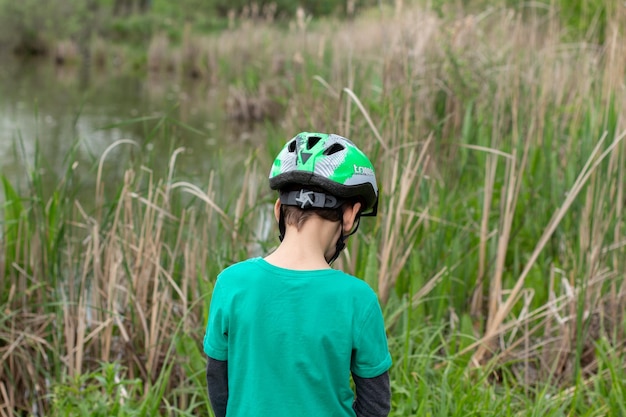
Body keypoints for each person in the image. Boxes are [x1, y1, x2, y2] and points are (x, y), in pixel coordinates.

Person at [203, 132, 392, 417]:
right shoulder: (358, 299)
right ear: (351, 215)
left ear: (279, 210)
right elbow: (375, 405)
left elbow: (219, 386)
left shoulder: (231, 283)